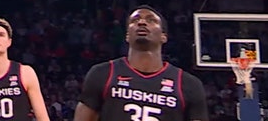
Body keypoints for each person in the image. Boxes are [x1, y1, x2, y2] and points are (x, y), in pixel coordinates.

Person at [75, 7, 208, 121]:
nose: (142, 22)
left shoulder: (189, 84)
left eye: (151, 20)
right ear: (127, 36)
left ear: (164, 36)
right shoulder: (103, 73)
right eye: (135, 20)